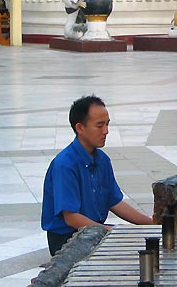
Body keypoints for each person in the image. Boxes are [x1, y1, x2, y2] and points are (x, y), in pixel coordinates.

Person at [42, 95, 153, 256]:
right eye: (99, 125)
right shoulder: (65, 165)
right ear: (80, 128)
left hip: (94, 229)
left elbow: (114, 202)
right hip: (66, 238)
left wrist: (150, 223)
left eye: (107, 124)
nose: (106, 131)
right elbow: (71, 218)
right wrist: (110, 231)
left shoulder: (102, 160)